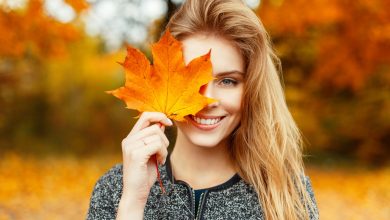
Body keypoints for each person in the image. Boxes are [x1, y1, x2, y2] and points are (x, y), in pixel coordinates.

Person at [87, 0, 319, 219]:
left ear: (252, 89)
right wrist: (133, 203)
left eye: (228, 81)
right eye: (193, 82)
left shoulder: (288, 196)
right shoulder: (116, 188)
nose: (207, 100)